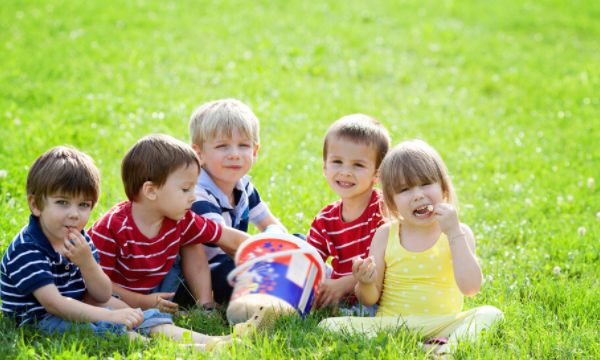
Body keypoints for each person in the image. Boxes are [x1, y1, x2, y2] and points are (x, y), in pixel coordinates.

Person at [0, 146, 272, 352]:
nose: (74, 215)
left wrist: (87, 264)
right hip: (39, 320)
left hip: (82, 307)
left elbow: (100, 292)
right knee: (113, 327)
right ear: (36, 205)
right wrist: (115, 314)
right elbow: (54, 304)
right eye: (62, 203)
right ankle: (193, 350)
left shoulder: (79, 239)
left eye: (83, 206)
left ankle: (216, 342)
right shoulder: (28, 249)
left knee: (145, 318)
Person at [318, 140, 504, 357]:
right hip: (391, 324)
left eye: (425, 184)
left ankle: (446, 352)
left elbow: (471, 288)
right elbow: (369, 299)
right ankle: (425, 348)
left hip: (441, 323)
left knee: (492, 314)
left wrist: (454, 233)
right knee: (328, 326)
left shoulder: (458, 232)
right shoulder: (386, 234)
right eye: (405, 189)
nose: (417, 195)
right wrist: (365, 282)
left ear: (443, 188)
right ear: (392, 203)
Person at [88, 134, 250, 314]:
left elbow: (230, 238)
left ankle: (205, 304)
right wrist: (142, 302)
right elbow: (93, 284)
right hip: (112, 296)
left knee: (192, 237)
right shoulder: (111, 228)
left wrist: (273, 249)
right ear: (151, 191)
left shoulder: (181, 218)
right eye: (185, 189)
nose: (193, 197)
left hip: (157, 286)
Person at [188, 99, 288, 305]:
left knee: (297, 240)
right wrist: (271, 254)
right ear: (199, 154)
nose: (234, 155)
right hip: (210, 271)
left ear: (254, 151)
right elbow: (228, 243)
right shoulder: (197, 194)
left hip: (240, 256)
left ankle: (287, 284)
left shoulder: (244, 187)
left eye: (243, 145)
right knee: (233, 270)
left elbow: (271, 224)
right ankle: (271, 293)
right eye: (222, 146)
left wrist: (281, 240)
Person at [306, 114, 391, 316]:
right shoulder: (325, 219)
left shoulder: (383, 210)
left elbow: (390, 264)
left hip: (374, 295)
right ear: (325, 167)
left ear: (377, 174)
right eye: (337, 162)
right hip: (339, 287)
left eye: (358, 165)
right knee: (298, 248)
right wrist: (320, 284)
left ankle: (343, 312)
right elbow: (312, 258)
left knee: (368, 313)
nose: (345, 172)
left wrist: (344, 284)